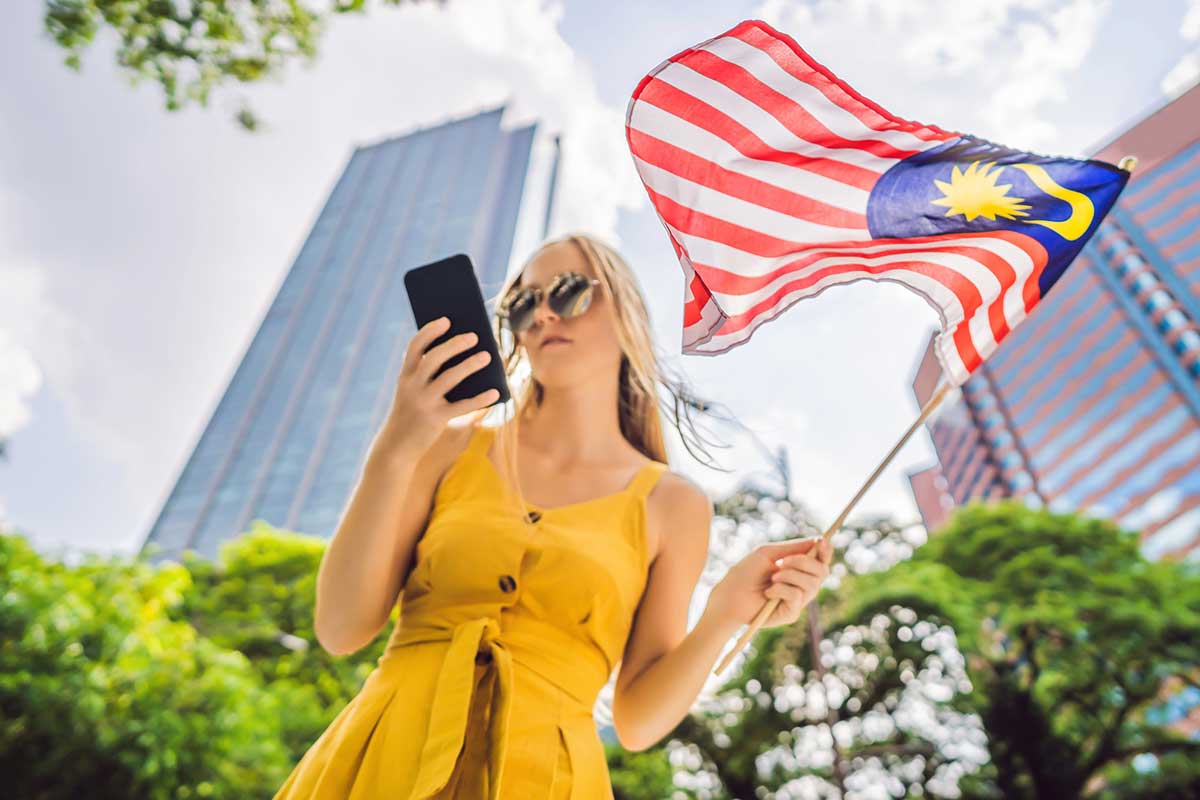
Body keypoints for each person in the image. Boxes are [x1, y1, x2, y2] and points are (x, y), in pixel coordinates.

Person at [273, 232, 833, 799]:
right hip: (382, 758)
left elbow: (637, 722)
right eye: (521, 303)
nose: (541, 315)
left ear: (627, 312)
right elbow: (340, 628)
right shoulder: (448, 448)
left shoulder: (672, 505)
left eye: (567, 293)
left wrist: (725, 613)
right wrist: (396, 444)